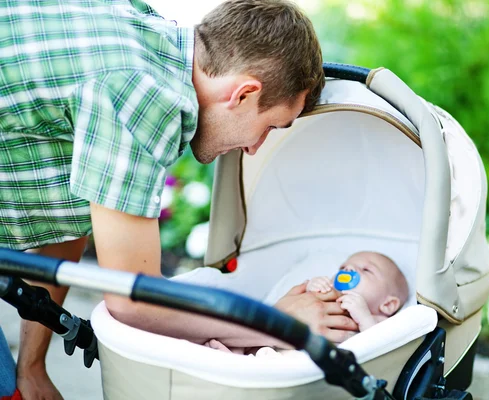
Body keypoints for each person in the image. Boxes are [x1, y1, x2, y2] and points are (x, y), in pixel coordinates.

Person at [0, 1, 359, 398]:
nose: (255, 148)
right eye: (269, 126)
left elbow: (69, 219)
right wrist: (279, 323)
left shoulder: (141, 29)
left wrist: (31, 366)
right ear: (243, 94)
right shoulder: (143, 97)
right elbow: (133, 300)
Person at [205, 251, 409, 355]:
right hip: (279, 346)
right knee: (257, 347)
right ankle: (234, 357)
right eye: (344, 267)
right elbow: (299, 306)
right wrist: (314, 286)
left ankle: (240, 363)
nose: (348, 271)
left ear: (388, 305)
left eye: (366, 270)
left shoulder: (379, 319)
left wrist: (364, 317)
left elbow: (380, 346)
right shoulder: (330, 295)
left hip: (310, 365)